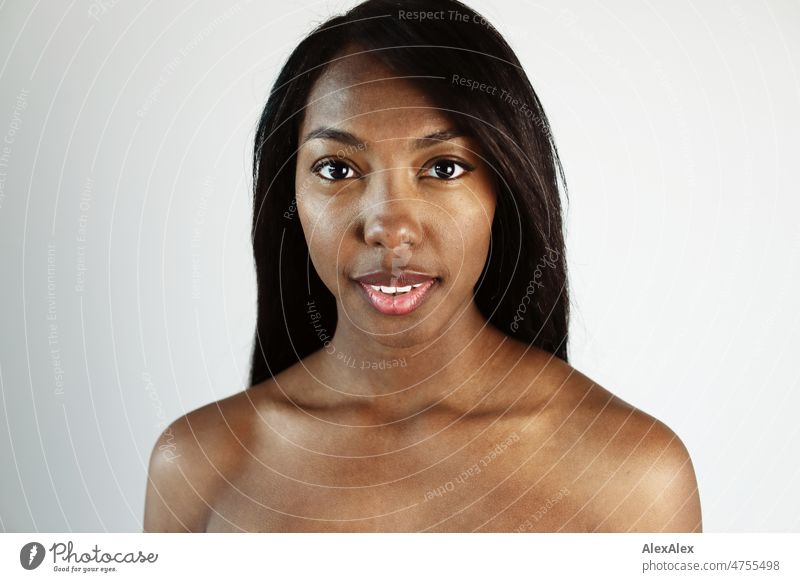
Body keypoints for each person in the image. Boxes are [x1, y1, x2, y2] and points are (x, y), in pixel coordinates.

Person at [144, 0, 701, 532]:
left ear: (502, 192)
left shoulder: (635, 475)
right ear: (288, 195)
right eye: (337, 169)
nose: (389, 227)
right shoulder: (197, 463)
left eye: (443, 167)